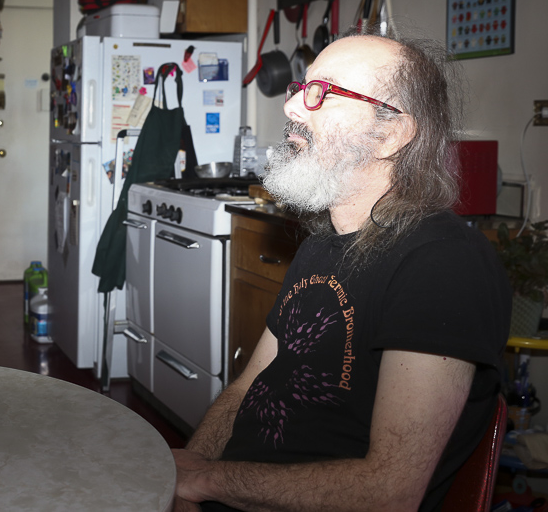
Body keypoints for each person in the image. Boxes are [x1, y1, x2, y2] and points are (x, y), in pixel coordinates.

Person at [173, 33, 511, 512]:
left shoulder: (445, 264)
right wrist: (190, 469)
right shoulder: (320, 245)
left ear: (391, 134)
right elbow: (247, 388)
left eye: (323, 92)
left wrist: (208, 481)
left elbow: (389, 492)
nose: (291, 106)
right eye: (300, 87)